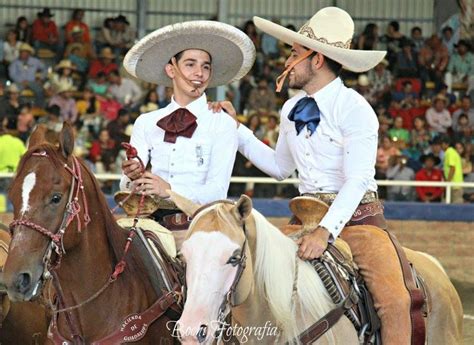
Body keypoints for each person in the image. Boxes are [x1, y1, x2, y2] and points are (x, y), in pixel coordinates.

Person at [214, 7, 424, 344]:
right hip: (303, 220)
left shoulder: (355, 108)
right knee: (252, 282)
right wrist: (236, 131)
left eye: (294, 54)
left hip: (358, 223)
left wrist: (326, 232)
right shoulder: (291, 109)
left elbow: (357, 179)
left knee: (395, 302)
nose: (287, 62)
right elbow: (281, 168)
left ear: (316, 60)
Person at [120, 20, 255, 225]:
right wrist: (132, 176)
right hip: (149, 223)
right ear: (171, 70)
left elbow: (217, 191)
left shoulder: (222, 123)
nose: (199, 73)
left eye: (206, 67)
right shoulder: (146, 122)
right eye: (190, 64)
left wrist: (169, 190)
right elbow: (125, 186)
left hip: (200, 226)